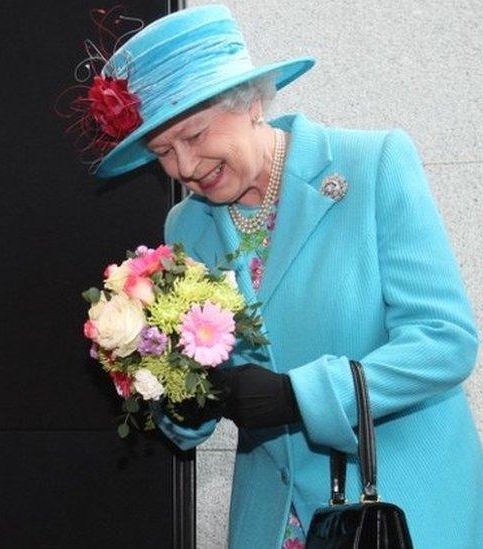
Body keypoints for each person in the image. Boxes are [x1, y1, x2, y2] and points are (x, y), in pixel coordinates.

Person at [82, 5, 482, 548]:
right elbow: (203, 395)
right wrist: (182, 401)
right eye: (162, 152)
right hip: (275, 524)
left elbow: (445, 343)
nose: (183, 167)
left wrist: (303, 395)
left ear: (251, 101)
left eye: (194, 135)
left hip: (401, 510)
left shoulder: (372, 165)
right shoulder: (186, 227)